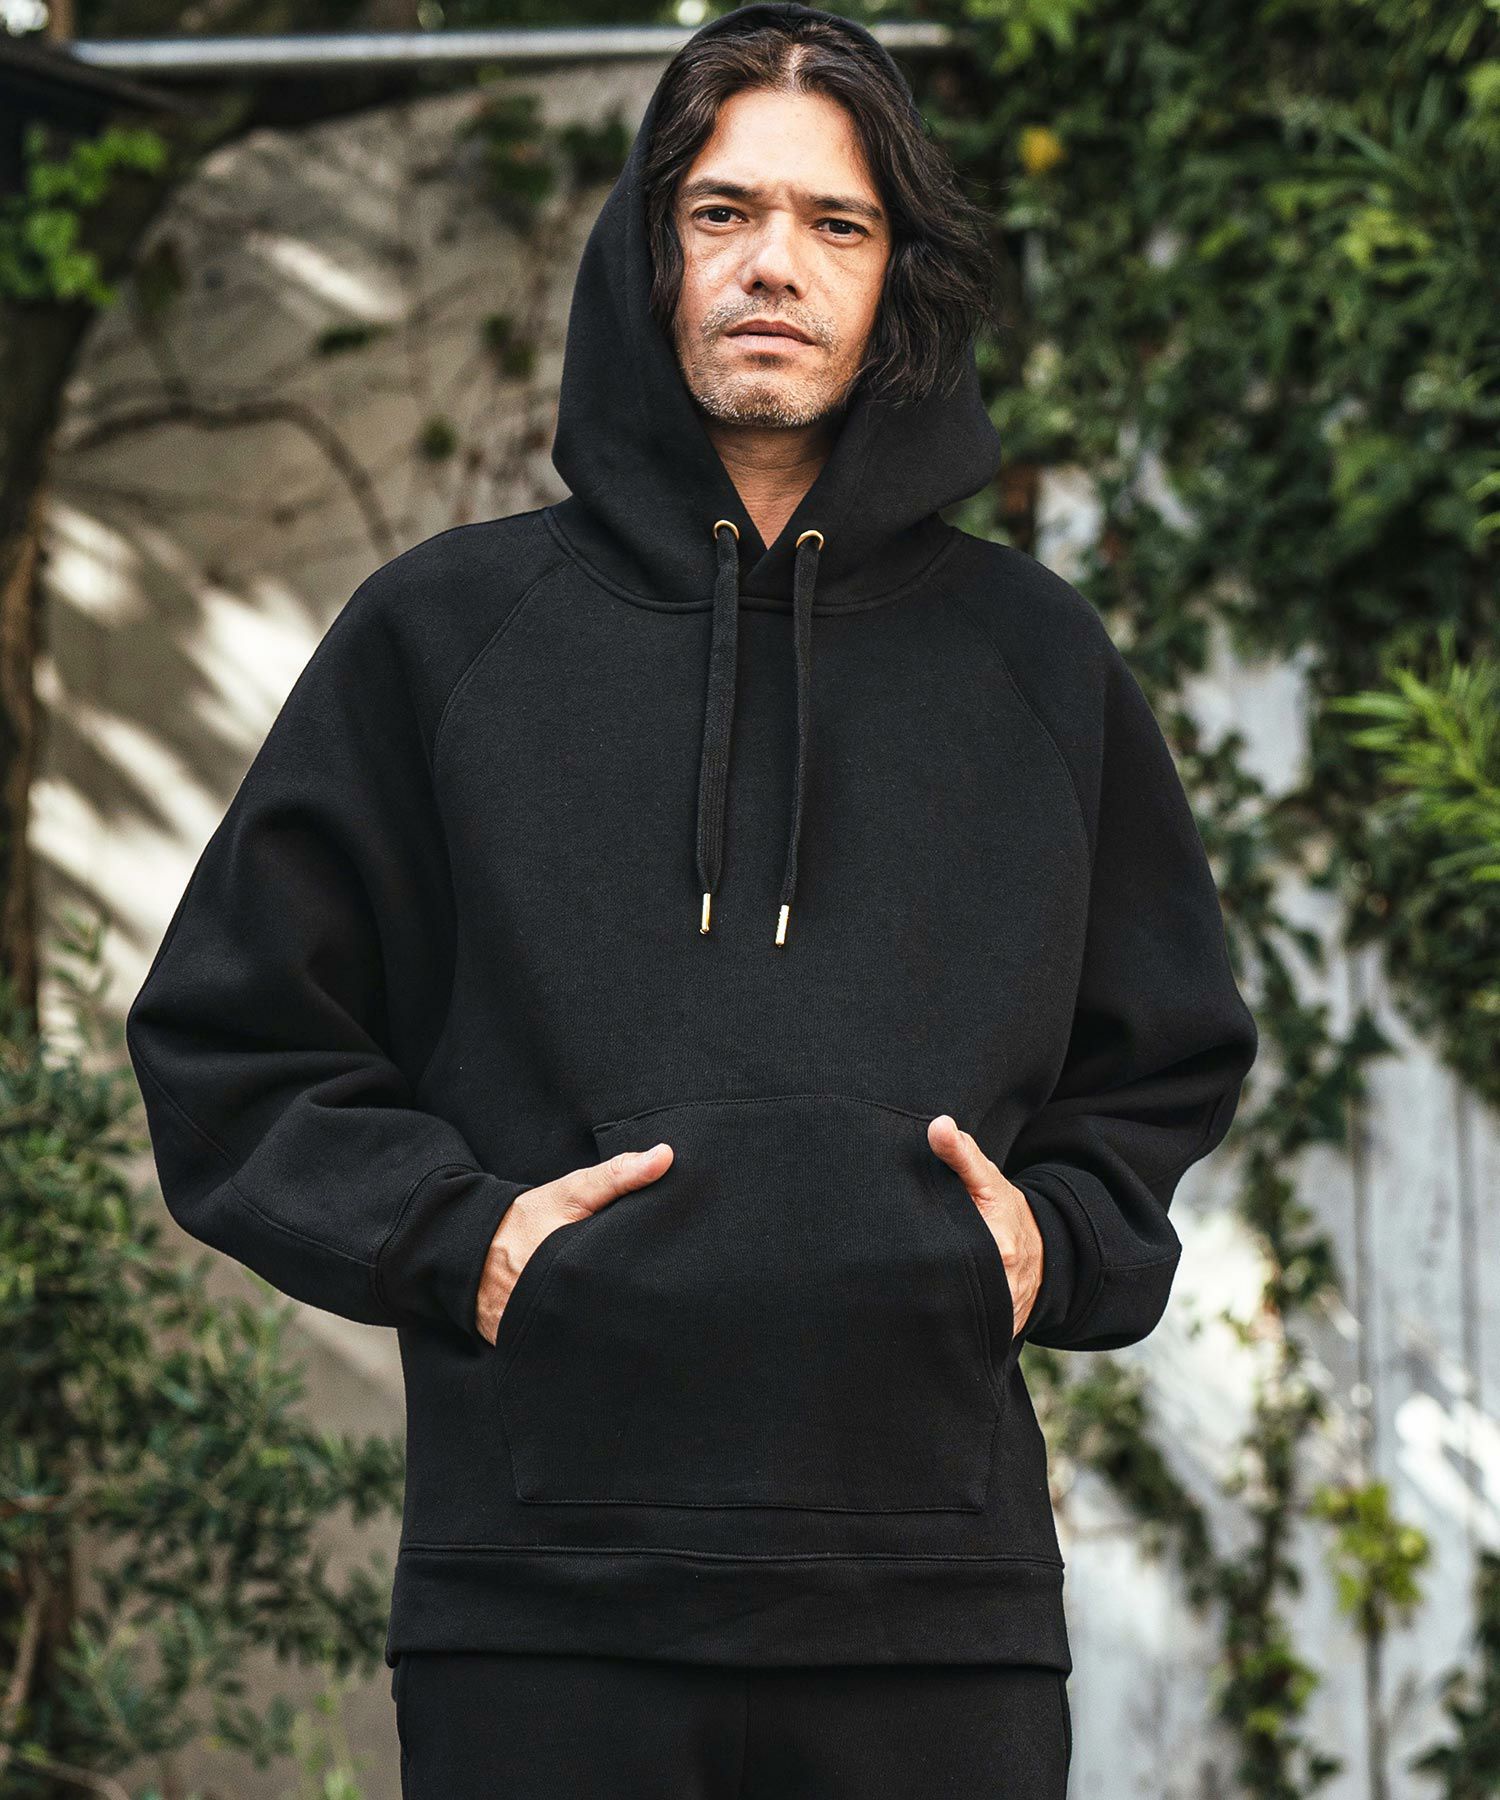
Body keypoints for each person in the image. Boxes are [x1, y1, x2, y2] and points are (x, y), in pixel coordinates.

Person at [124, 3, 1260, 1794]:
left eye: (835, 222)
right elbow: (228, 1042)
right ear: (646, 253)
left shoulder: (1037, 663)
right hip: (540, 1609)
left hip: (929, 1616)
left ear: (895, 279)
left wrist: (1053, 1241)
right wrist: (464, 1242)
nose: (772, 265)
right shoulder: (444, 636)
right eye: (722, 212)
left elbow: (1167, 1053)